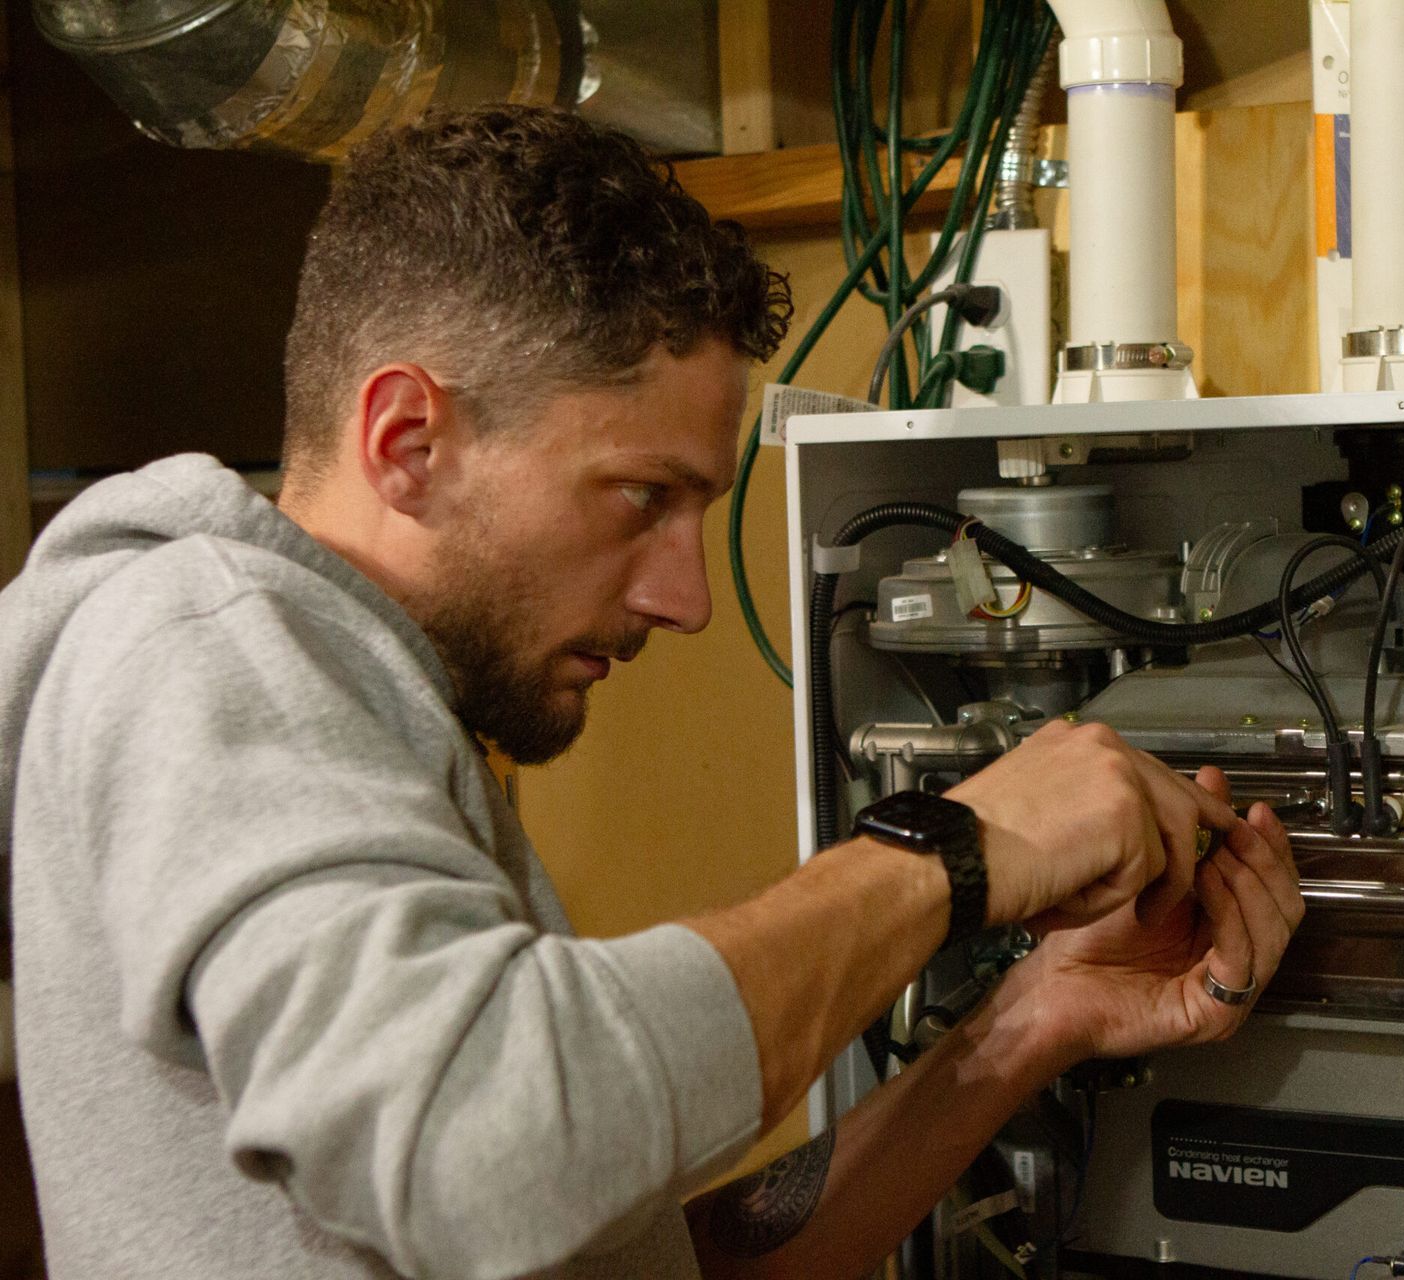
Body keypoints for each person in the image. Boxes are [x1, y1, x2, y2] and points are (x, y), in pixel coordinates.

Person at [0, 105, 1303, 1279]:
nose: (685, 597)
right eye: (643, 499)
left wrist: (1028, 1025)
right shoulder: (205, 644)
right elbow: (481, 1155)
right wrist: (948, 855)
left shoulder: (371, 718)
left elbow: (647, 1259)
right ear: (410, 443)